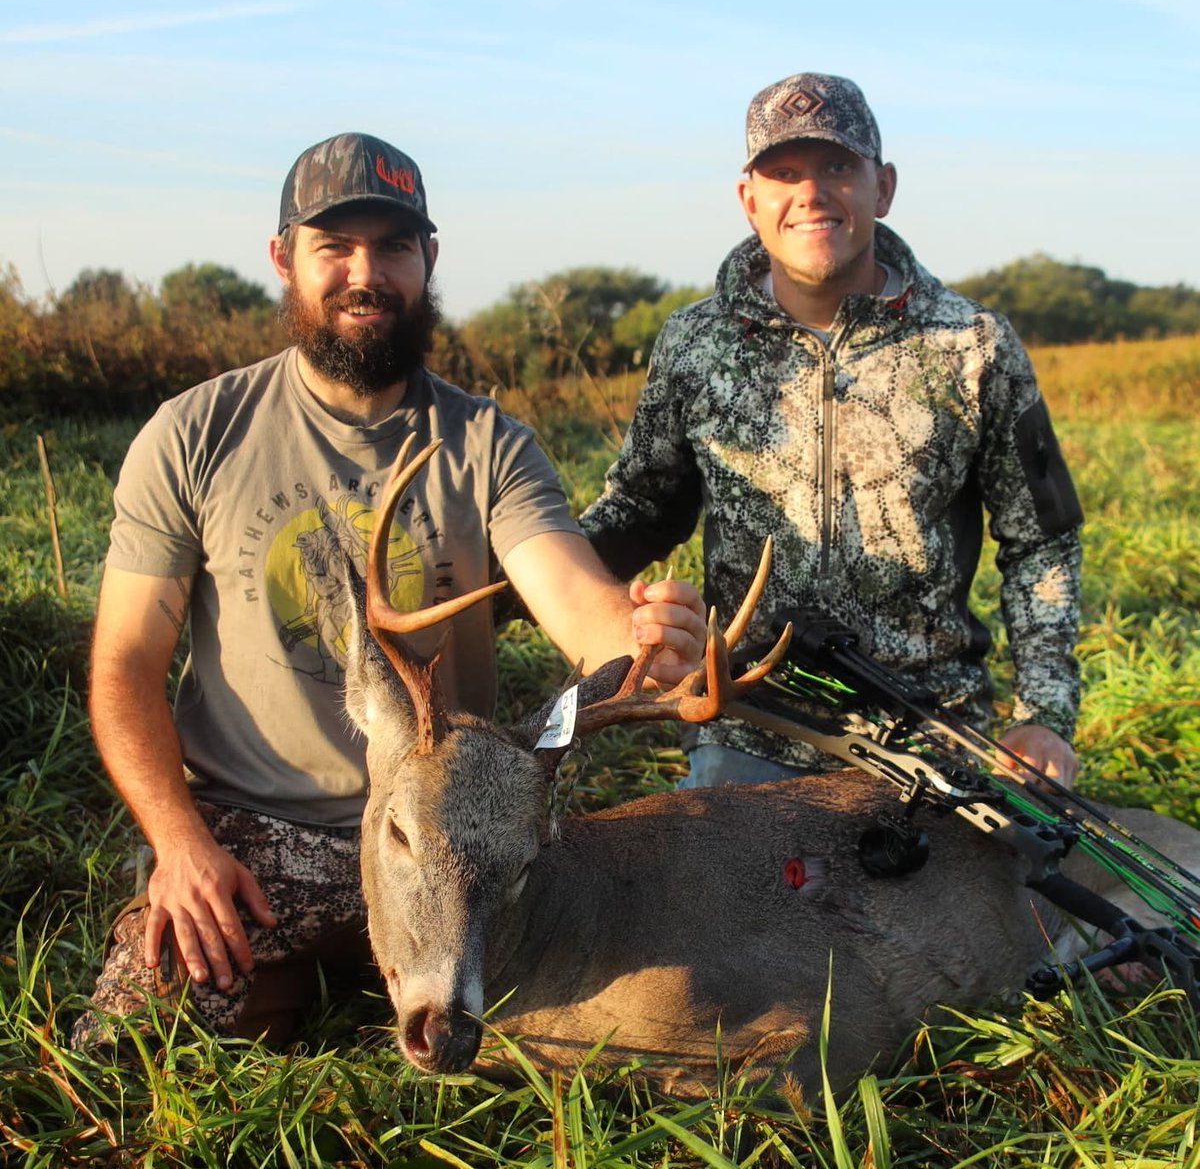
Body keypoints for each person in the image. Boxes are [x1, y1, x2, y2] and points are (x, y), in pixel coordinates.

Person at [73, 132, 705, 1047]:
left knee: (627, 1042)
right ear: (284, 258)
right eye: (335, 246)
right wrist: (178, 843)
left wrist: (643, 640)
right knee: (138, 1051)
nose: (365, 272)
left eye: (395, 246)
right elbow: (125, 663)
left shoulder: (488, 444)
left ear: (429, 260)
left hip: (456, 839)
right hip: (255, 841)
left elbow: (578, 603)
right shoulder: (195, 433)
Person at [582, 73, 1083, 791]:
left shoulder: (975, 345)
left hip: (934, 739)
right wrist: (514, 581)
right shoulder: (693, 344)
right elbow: (635, 514)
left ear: (883, 187)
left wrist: (1044, 714)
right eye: (783, 173)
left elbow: (1044, 539)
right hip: (749, 731)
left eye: (837, 167)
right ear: (749, 201)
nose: (810, 193)